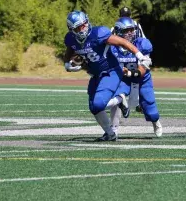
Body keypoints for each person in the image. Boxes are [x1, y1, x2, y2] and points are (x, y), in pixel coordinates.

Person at [64, 10, 151, 141]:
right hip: (95, 75)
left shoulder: (98, 33)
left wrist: (140, 55)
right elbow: (69, 51)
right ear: (72, 29)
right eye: (78, 27)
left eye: (84, 24)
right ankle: (110, 134)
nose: (83, 29)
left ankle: (120, 100)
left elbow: (123, 42)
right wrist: (67, 64)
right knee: (94, 108)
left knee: (99, 104)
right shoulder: (70, 39)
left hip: (111, 71)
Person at [109, 16, 162, 138]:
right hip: (124, 79)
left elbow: (142, 70)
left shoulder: (142, 44)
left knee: (149, 106)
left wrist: (129, 73)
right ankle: (113, 130)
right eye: (127, 30)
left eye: (132, 30)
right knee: (117, 98)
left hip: (142, 79)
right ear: (118, 31)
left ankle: (155, 122)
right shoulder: (112, 47)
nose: (130, 33)